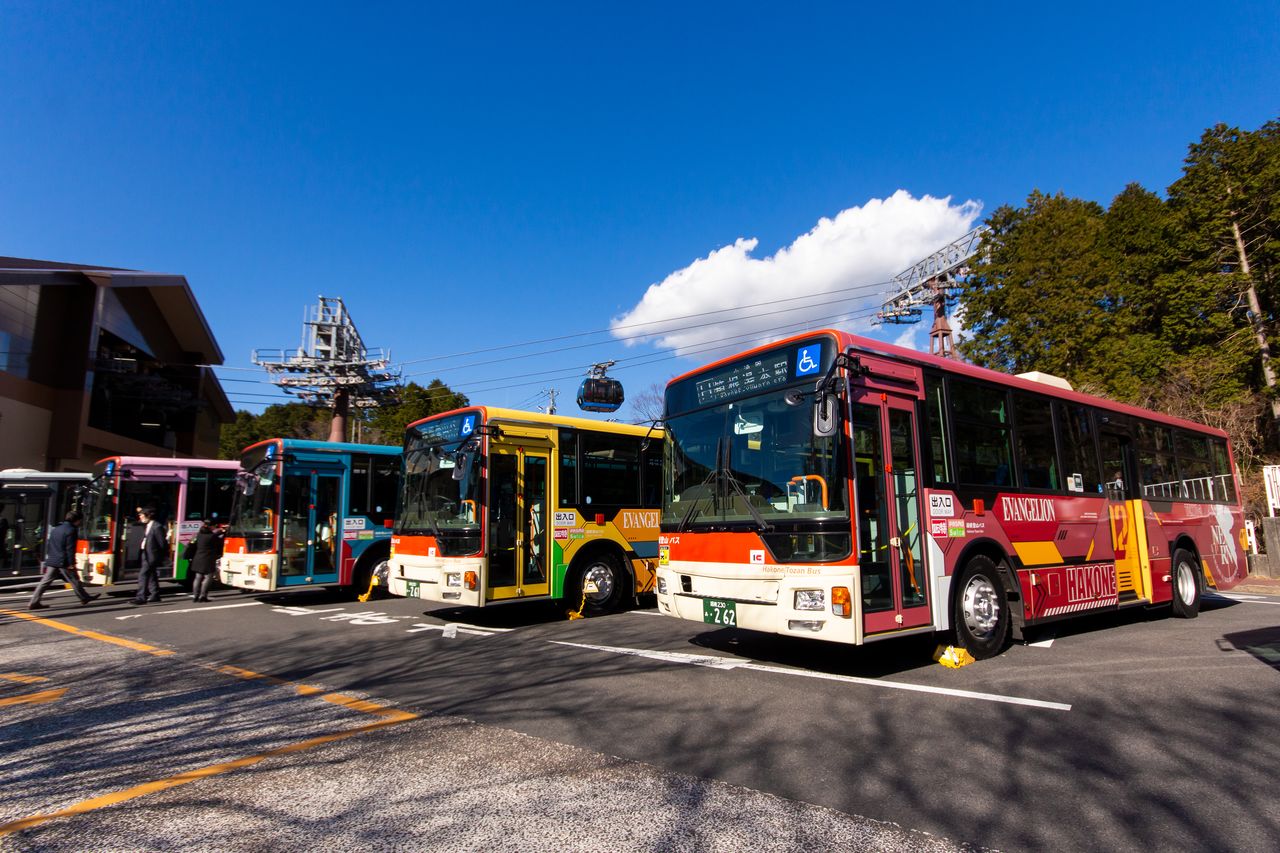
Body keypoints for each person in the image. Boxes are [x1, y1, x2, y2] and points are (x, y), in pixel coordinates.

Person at [28, 511, 99, 609]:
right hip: (63, 561)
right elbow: (70, 549)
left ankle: (33, 602)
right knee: (74, 579)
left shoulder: (56, 529)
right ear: (76, 520)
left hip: (53, 559)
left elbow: (50, 545)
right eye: (79, 521)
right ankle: (84, 597)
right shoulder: (71, 530)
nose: (80, 523)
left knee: (45, 582)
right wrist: (71, 563)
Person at [132, 506, 167, 604]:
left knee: (143, 575)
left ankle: (141, 597)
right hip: (146, 553)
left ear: (148, 516)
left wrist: (159, 556)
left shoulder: (157, 527)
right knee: (151, 575)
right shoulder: (147, 525)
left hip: (152, 555)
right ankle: (155, 594)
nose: (140, 517)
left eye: (142, 515)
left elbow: (162, 543)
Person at [182, 518, 224, 602]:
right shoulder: (212, 536)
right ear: (211, 526)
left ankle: (195, 596)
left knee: (198, 577)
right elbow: (220, 543)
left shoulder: (198, 535)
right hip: (208, 559)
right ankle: (203, 596)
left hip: (197, 558)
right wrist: (222, 531)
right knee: (208, 577)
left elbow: (191, 544)